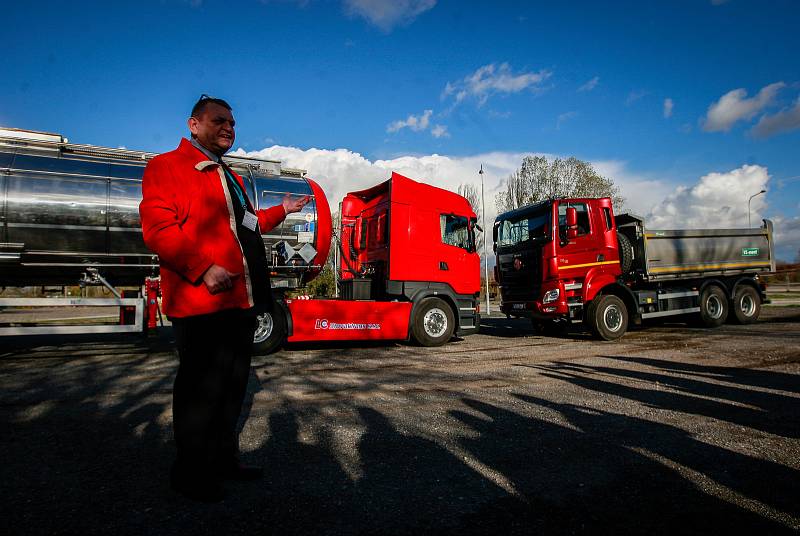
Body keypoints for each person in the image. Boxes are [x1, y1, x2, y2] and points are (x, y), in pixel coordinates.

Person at [139, 95, 309, 502]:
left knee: (232, 388)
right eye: (219, 121)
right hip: (202, 304)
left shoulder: (226, 174)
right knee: (201, 392)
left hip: (239, 303)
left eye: (232, 122)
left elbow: (247, 224)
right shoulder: (167, 167)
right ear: (193, 125)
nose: (229, 128)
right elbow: (158, 230)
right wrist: (203, 268)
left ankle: (222, 461)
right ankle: (190, 473)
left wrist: (282, 209)